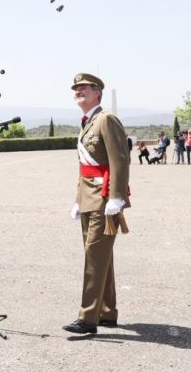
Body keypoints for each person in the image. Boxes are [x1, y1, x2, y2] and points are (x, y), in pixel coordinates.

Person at [64, 73, 130, 335]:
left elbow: (119, 159)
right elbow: (84, 167)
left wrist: (117, 197)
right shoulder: (87, 122)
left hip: (105, 201)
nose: (78, 91)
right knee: (102, 259)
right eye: (76, 88)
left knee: (94, 258)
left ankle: (87, 318)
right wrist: (78, 200)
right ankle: (106, 312)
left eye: (83, 88)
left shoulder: (106, 119)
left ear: (97, 92)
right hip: (89, 200)